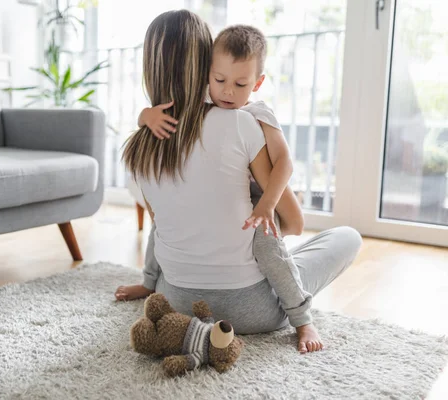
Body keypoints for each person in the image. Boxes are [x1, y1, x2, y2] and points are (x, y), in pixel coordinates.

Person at [115, 10, 362, 354]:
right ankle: (302, 318)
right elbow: (291, 223)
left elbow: (162, 226)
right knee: (345, 236)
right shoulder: (241, 124)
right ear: (205, 64)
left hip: (176, 301)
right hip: (252, 310)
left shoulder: (138, 146)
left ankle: (151, 281)